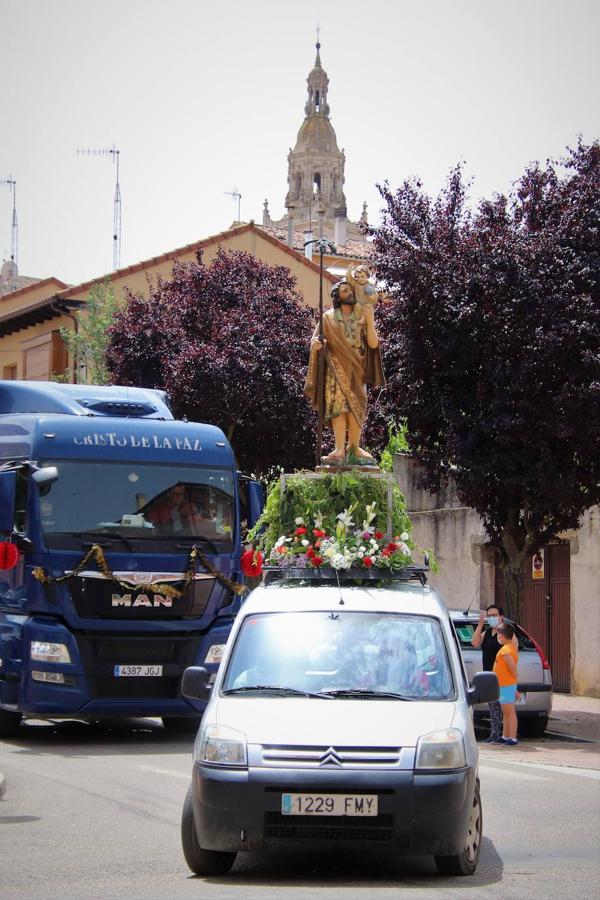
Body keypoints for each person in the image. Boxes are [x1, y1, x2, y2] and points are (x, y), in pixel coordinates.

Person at [304, 279, 385, 463]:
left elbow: (373, 343)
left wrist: (371, 321)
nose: (349, 292)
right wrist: (317, 345)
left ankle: (354, 447)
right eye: (344, 290)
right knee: (338, 407)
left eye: (350, 289)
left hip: (358, 367)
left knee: (358, 405)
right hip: (335, 368)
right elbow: (314, 340)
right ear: (337, 297)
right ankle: (339, 448)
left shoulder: (362, 316)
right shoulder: (328, 318)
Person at [471, 604, 508, 743]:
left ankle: (501, 736)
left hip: (500, 674)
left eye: (495, 615)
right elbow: (474, 642)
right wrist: (480, 624)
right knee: (493, 706)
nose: (492, 618)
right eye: (489, 615)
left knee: (501, 706)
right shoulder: (487, 632)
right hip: (488, 674)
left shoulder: (504, 633)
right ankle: (495, 734)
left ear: (501, 617)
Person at [493, 622, 520, 745]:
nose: (497, 637)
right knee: (506, 712)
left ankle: (512, 737)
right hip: (504, 685)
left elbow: (512, 668)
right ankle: (505, 736)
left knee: (509, 712)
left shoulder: (506, 650)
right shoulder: (507, 649)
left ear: (502, 636)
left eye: (498, 635)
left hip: (506, 685)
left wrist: (514, 683)